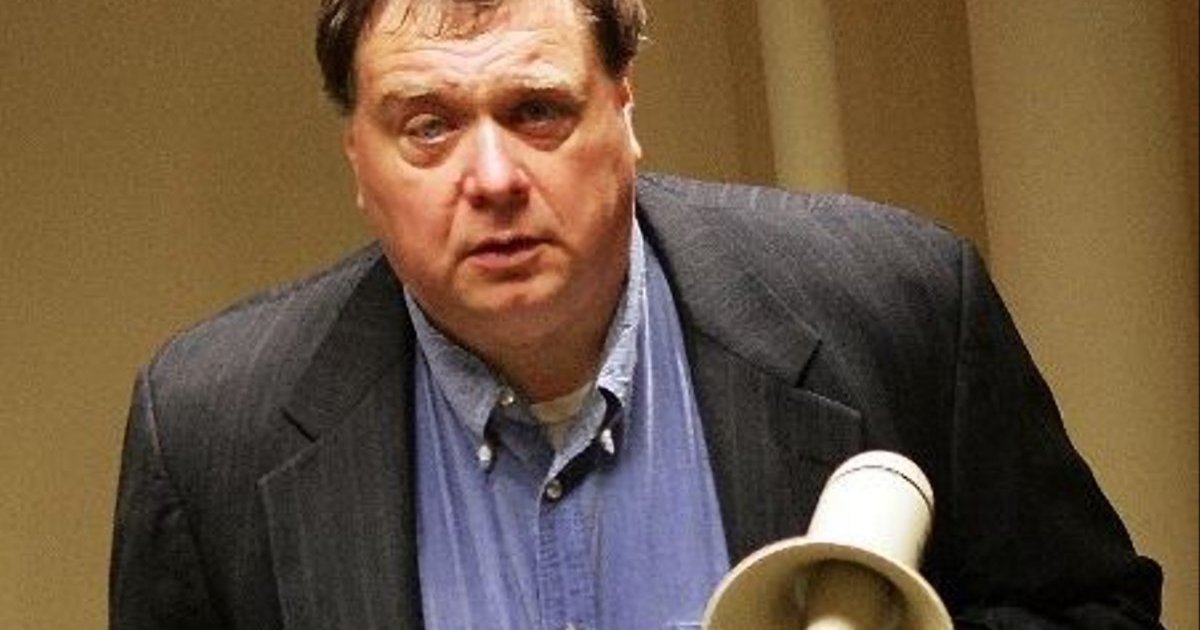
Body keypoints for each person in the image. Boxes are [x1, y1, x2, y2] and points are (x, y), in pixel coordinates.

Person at [108, 0, 1165, 628]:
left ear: (622, 110)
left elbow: (1095, 614)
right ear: (359, 161)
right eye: (427, 126)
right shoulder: (208, 430)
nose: (493, 178)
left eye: (537, 111)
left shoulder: (897, 304)